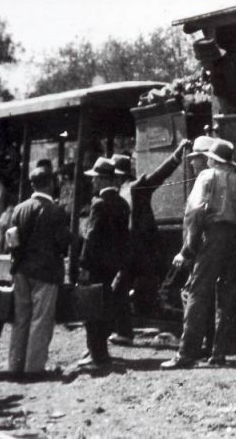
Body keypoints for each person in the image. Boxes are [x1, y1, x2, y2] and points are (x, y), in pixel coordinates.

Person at [161, 139, 236, 369]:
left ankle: (187, 353)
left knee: (198, 292)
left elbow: (194, 214)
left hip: (211, 238)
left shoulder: (206, 177)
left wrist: (187, 250)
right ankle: (218, 354)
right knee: (226, 296)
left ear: (212, 160)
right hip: (234, 241)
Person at [109, 140, 190, 346]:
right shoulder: (115, 195)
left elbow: (159, 175)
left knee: (124, 290)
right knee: (126, 291)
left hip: (143, 251)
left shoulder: (137, 188)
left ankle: (126, 333)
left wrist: (177, 155)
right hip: (131, 252)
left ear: (119, 176)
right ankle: (125, 332)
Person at [8, 167, 70, 377]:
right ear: (51, 183)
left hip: (21, 270)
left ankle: (15, 366)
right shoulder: (56, 210)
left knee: (21, 319)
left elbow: (13, 241)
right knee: (41, 320)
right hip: (45, 271)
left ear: (32, 184)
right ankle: (34, 369)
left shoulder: (19, 209)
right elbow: (63, 244)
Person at [77, 157, 130, 368]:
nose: (93, 183)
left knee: (91, 310)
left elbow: (91, 237)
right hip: (112, 265)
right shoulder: (122, 204)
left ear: (101, 180)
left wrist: (83, 263)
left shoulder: (98, 205)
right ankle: (98, 352)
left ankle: (96, 354)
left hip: (96, 265)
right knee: (106, 306)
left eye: (95, 179)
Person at [157, 135, 214, 313]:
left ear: (205, 159)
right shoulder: (220, 180)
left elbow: (195, 217)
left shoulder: (204, 182)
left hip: (199, 247)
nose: (191, 164)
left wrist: (185, 251)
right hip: (209, 246)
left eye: (194, 159)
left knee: (196, 295)